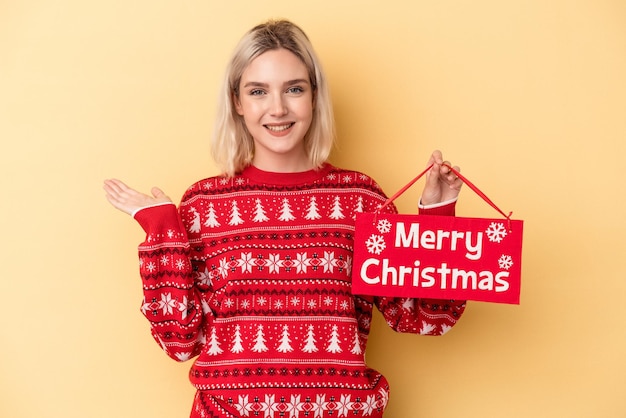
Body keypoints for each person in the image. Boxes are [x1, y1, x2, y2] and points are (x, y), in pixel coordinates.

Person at [104, 19, 466, 418]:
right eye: (258, 91)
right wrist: (162, 231)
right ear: (238, 102)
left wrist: (438, 216)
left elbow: (425, 316)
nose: (278, 108)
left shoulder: (361, 201)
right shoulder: (203, 204)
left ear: (314, 96)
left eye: (294, 89)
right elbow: (179, 341)